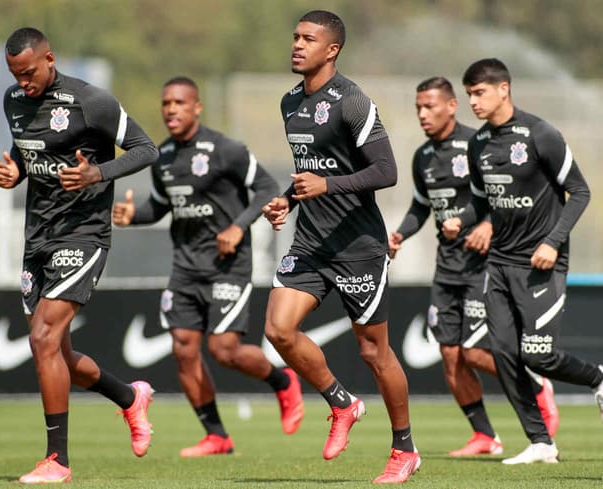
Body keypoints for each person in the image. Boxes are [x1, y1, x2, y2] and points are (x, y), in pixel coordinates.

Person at [0, 28, 158, 483]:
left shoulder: (92, 102)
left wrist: (98, 174)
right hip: (37, 239)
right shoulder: (14, 100)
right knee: (57, 354)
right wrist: (13, 172)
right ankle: (130, 398)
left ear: (49, 59)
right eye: (15, 75)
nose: (23, 82)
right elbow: (30, 154)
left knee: (43, 340)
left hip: (82, 235)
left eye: (29, 73)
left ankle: (57, 461)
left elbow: (147, 149)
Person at [262, 10, 419, 484]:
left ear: (331, 50)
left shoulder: (352, 101)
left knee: (375, 353)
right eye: (295, 36)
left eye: (308, 39)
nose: (297, 44)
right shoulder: (290, 102)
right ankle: (342, 402)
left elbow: (386, 171)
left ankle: (404, 450)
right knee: (278, 330)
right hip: (311, 241)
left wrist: (326, 185)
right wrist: (287, 200)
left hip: (358, 246)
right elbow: (309, 167)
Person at [112, 76, 303, 457]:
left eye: (180, 103)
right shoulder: (163, 156)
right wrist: (135, 215)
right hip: (185, 267)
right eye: (166, 103)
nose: (171, 110)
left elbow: (266, 187)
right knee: (184, 349)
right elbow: (162, 206)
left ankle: (283, 381)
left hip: (228, 265)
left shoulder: (225, 149)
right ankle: (217, 435)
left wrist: (237, 226)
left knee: (224, 349)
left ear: (196, 107)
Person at [442, 58, 603, 464]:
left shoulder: (540, 133)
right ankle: (541, 442)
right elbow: (481, 198)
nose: (473, 102)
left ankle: (597, 377)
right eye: (469, 95)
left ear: (503, 89)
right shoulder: (478, 144)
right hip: (499, 265)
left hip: (541, 266)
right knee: (504, 354)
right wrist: (463, 219)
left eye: (479, 93)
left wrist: (552, 242)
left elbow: (580, 192)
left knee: (538, 355)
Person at [389, 77, 558, 456]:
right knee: (450, 356)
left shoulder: (478, 145)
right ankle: (485, 436)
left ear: (452, 105)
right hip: (446, 269)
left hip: (485, 265)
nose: (422, 114)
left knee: (476, 353)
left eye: (430, 106)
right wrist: (399, 234)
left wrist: (485, 225)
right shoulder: (423, 157)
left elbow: (511, 197)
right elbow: (421, 206)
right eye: (418, 107)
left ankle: (535, 385)